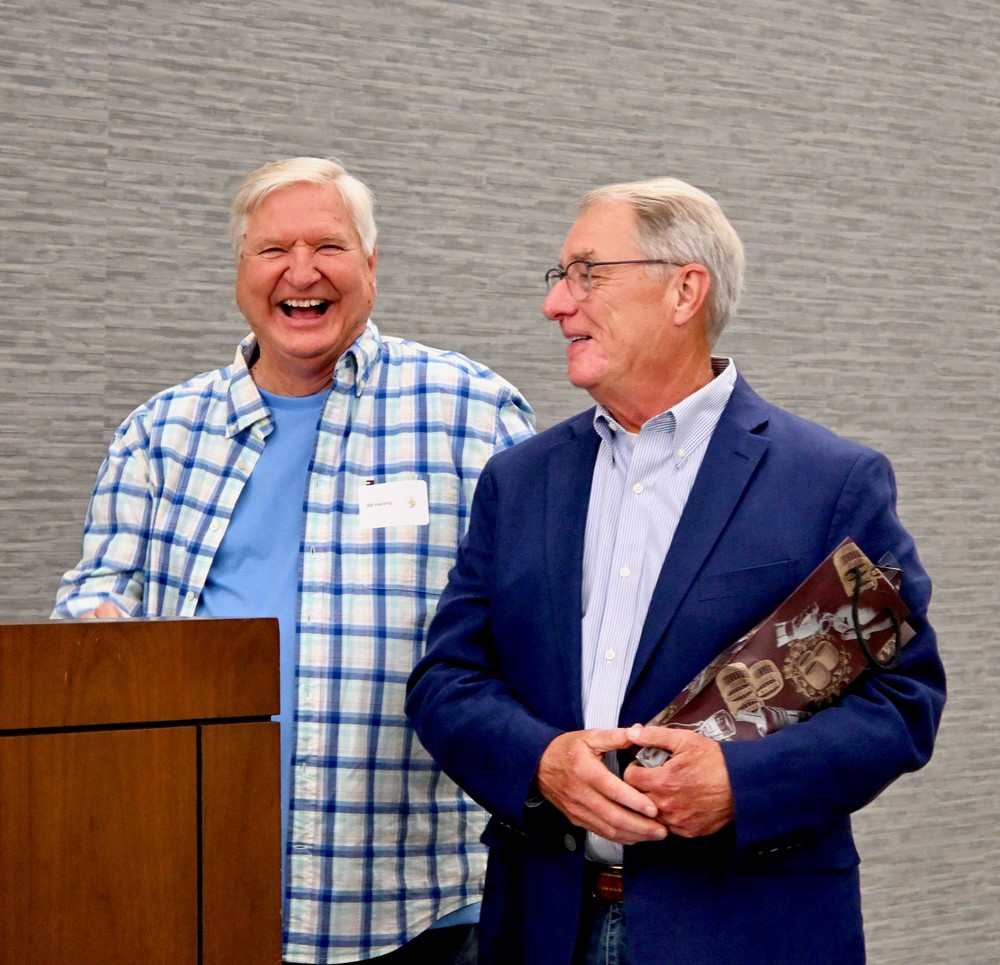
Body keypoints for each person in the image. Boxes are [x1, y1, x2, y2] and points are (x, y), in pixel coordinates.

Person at [405, 177, 945, 965]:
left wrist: (740, 782)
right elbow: (446, 680)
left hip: (745, 929)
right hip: (542, 926)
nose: (555, 304)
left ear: (684, 290)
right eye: (558, 276)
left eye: (587, 273)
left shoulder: (831, 481)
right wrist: (540, 763)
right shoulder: (518, 481)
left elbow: (904, 699)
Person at [53, 156, 535, 964]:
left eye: (329, 247)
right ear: (241, 270)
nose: (301, 272)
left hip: (417, 901)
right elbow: (95, 591)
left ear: (371, 264)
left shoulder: (470, 411)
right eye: (274, 249)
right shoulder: (160, 434)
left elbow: (538, 617)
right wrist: (101, 630)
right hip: (202, 877)